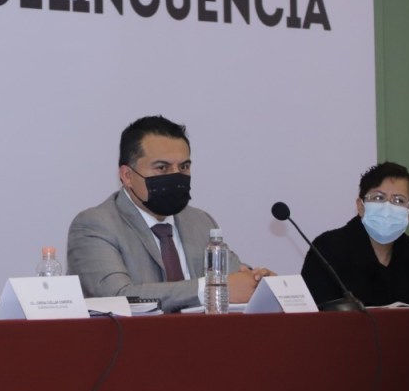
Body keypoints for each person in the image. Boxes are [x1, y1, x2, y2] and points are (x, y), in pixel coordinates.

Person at [66, 115, 272, 312]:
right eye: (162, 168)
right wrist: (209, 290)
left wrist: (257, 281)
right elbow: (117, 296)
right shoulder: (95, 225)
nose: (176, 176)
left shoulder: (200, 221)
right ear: (127, 176)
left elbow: (235, 278)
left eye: (184, 166)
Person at [301, 161, 409, 307]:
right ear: (361, 206)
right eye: (378, 198)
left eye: (398, 200)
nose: (387, 208)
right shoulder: (327, 249)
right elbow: (314, 314)